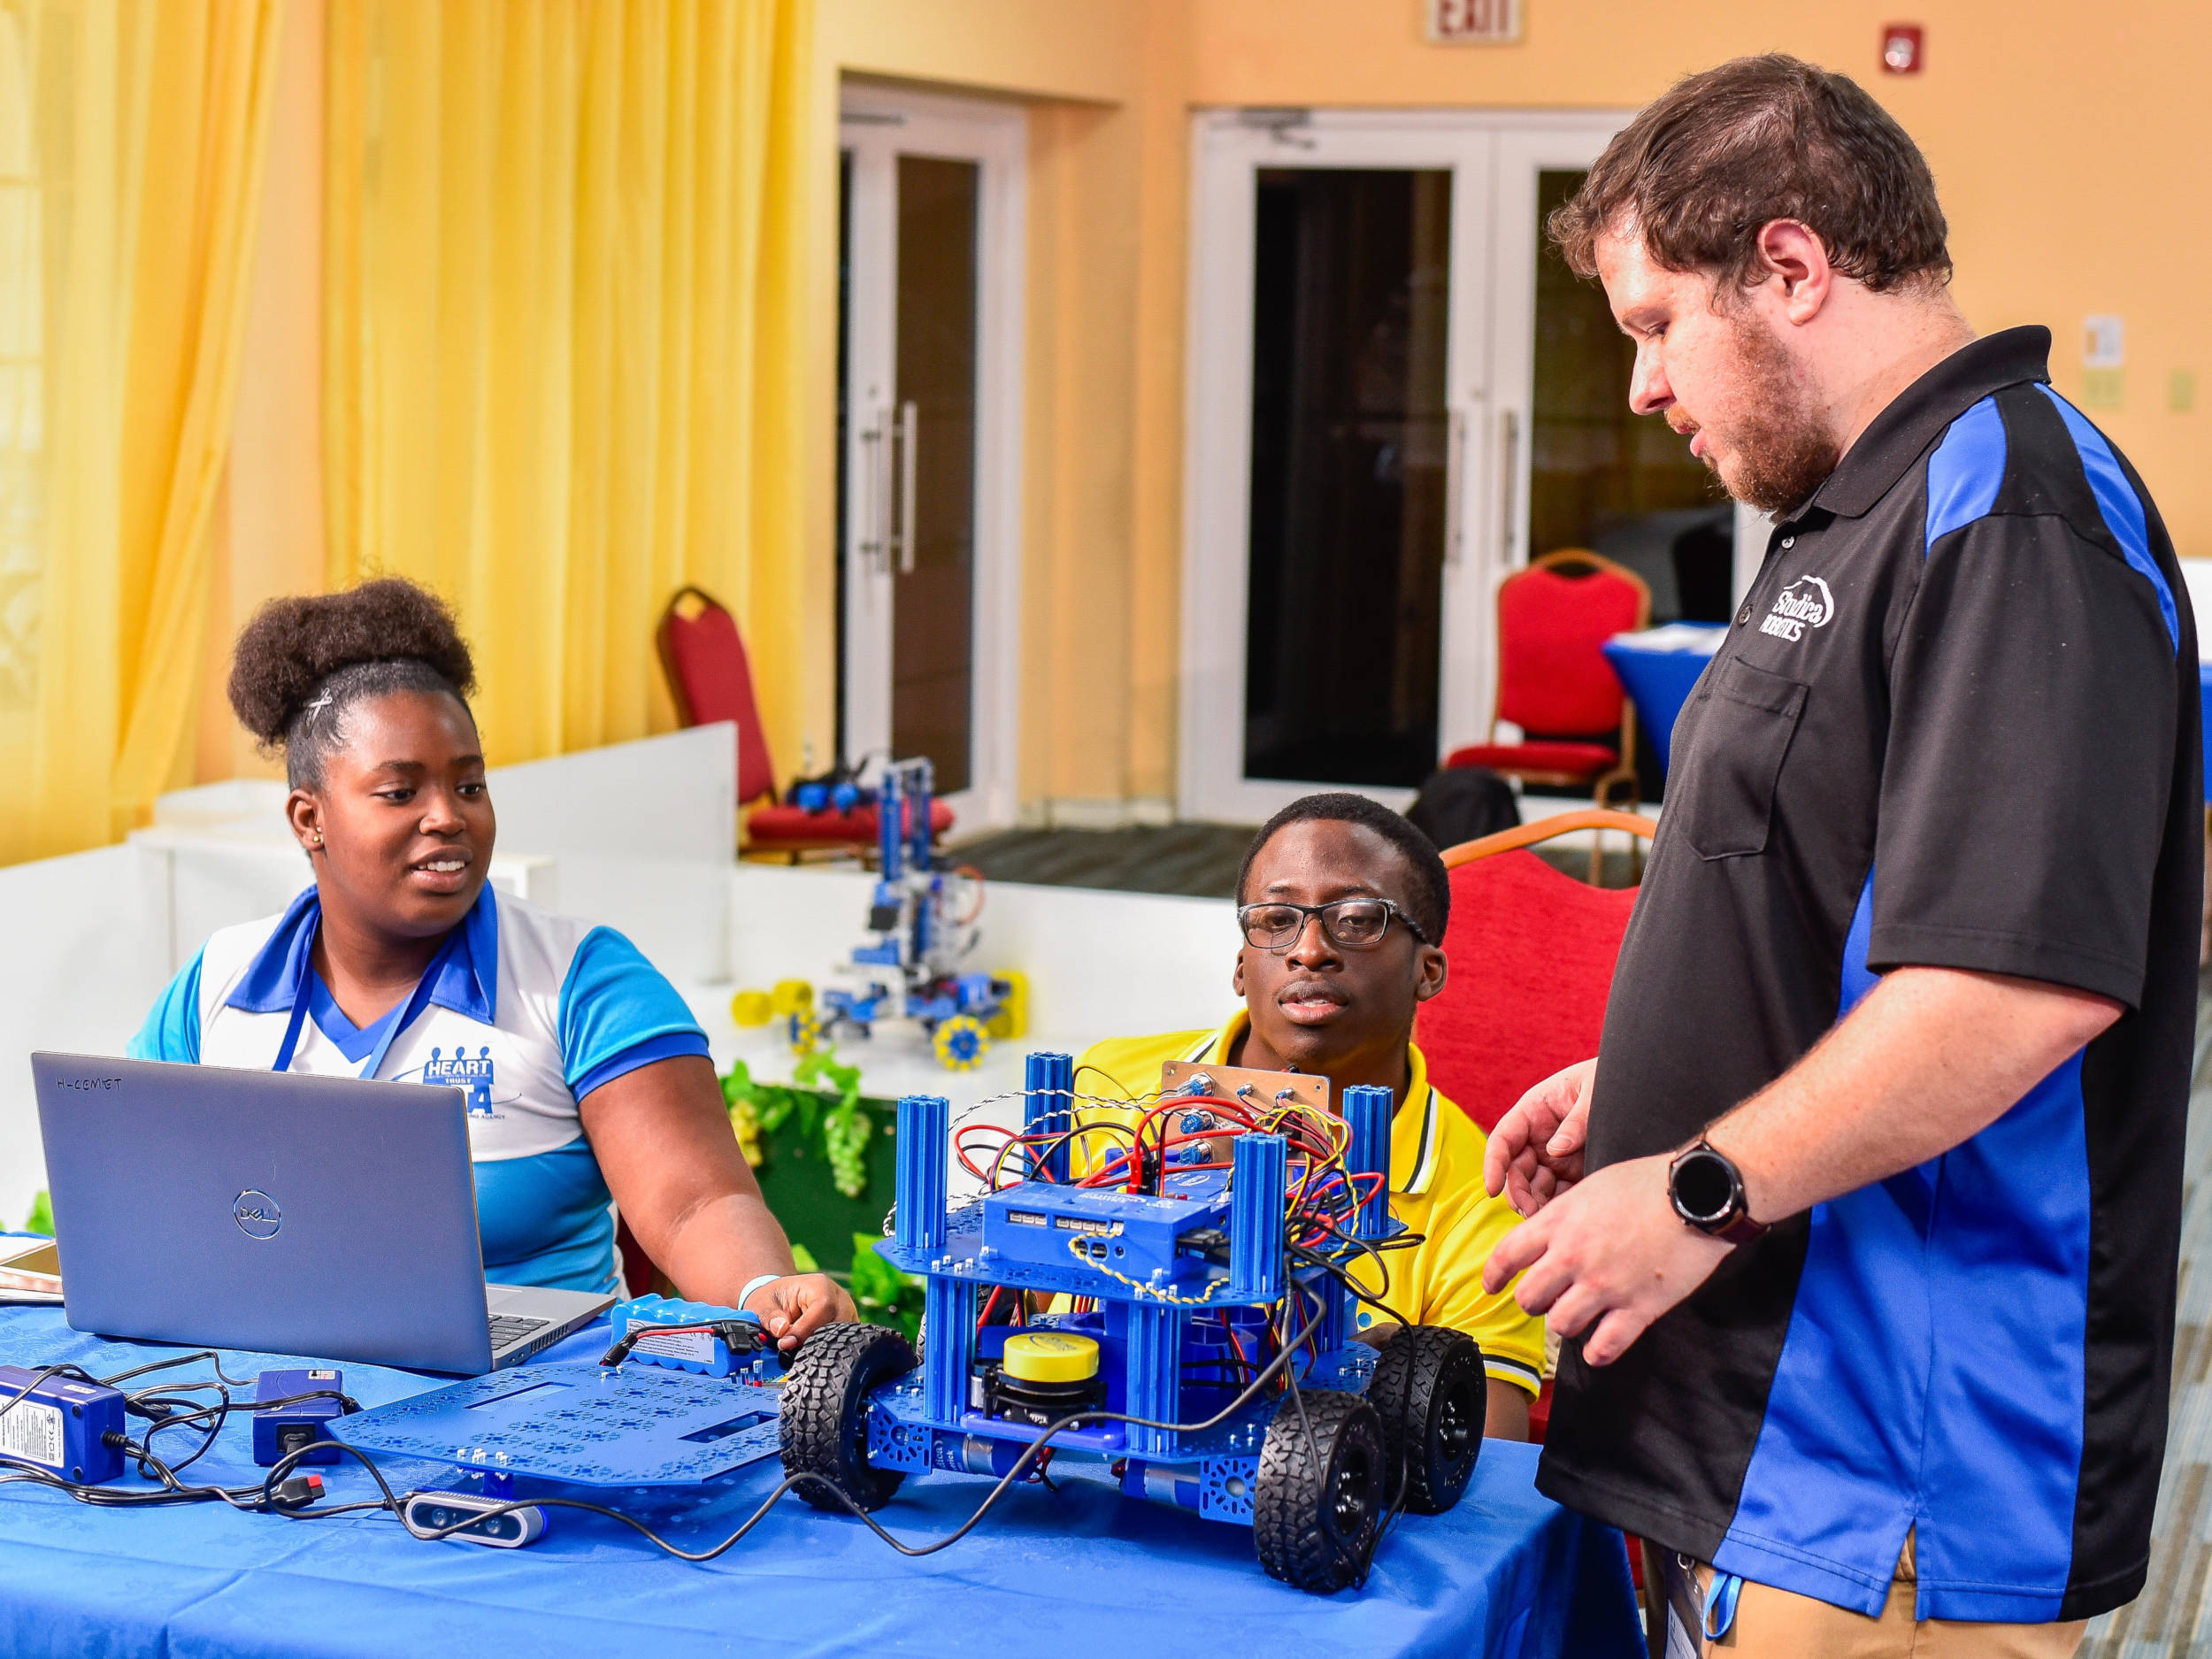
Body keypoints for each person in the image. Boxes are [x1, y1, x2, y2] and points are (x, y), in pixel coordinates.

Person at [1479, 56, 2198, 1657]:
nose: (1645, 386)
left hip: (1893, 1466)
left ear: (1793, 266)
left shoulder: (2012, 510)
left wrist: (1697, 1186)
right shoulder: (1862, 507)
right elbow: (1838, 906)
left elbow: (2017, 988)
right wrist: (1653, 1080)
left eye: (1658, 324)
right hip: (1766, 1437)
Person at [129, 579, 853, 1352]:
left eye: (469, 784)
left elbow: (694, 1206)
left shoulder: (582, 979)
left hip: (539, 1395)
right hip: (267, 1389)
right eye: (400, 791)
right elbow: (135, 1195)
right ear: (310, 819)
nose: (448, 815)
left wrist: (760, 1289)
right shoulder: (216, 985)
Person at [1073, 793, 1546, 1440]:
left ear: (1428, 970)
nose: (1310, 949)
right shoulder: (1103, 1087)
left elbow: (1481, 1466)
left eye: (1357, 919)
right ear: (1241, 967)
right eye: (1277, 919)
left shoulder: (1483, 1199)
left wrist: (1373, 1394)